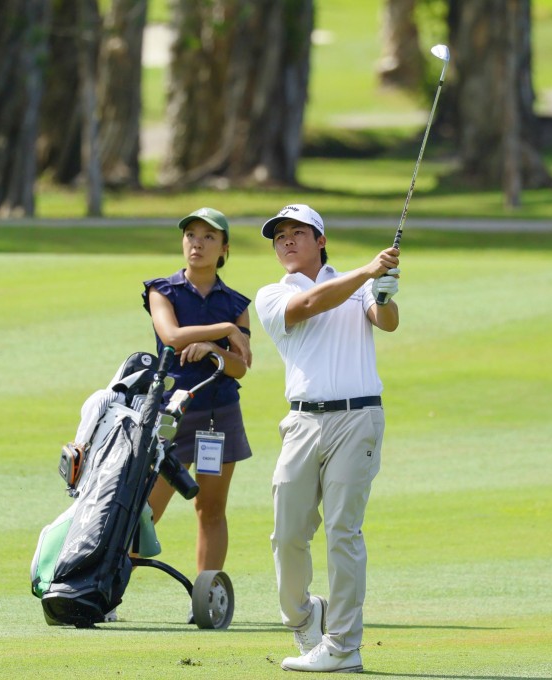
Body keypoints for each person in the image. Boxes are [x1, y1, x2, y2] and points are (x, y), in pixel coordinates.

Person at [254, 204, 401, 673]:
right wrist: (368, 271)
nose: (287, 242)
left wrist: (383, 290)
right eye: (280, 237)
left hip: (358, 419)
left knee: (343, 530)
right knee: (287, 533)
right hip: (301, 424)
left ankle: (342, 645)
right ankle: (302, 615)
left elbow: (388, 321)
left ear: (321, 240)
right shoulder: (272, 296)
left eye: (298, 233)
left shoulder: (356, 288)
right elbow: (311, 305)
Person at [141, 207, 254, 610]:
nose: (198, 244)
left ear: (224, 248)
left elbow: (242, 366)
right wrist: (224, 332)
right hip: (169, 417)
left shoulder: (236, 302)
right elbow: (170, 337)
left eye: (209, 237)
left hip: (218, 414)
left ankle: (203, 602)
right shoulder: (162, 291)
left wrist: (213, 350)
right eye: (191, 235)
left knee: (211, 509)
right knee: (145, 510)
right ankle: (109, 593)